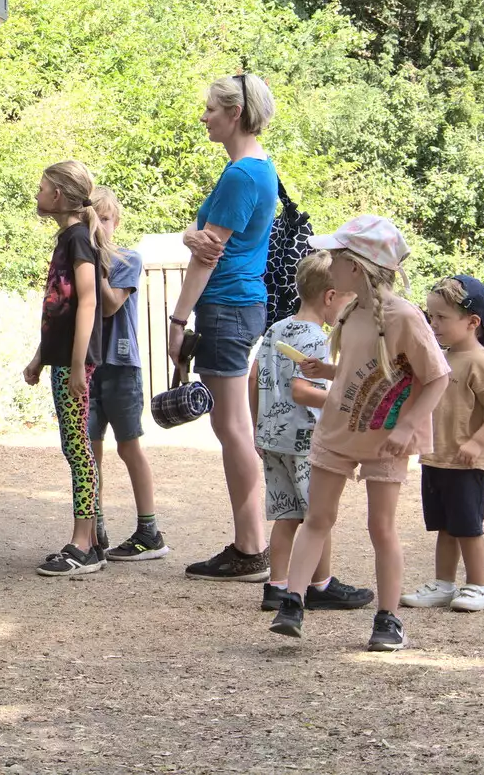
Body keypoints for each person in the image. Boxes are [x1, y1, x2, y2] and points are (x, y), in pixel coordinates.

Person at [268, 216, 450, 651]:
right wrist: (327, 370)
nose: (327, 262)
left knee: (381, 527)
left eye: (335, 256)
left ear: (358, 266)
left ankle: (388, 620)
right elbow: (359, 369)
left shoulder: (404, 317)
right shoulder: (350, 313)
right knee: (318, 518)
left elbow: (437, 376)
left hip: (385, 437)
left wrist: (407, 425)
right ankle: (292, 602)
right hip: (336, 430)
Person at [168, 71, 279, 582]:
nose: (205, 116)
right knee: (234, 426)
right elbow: (204, 238)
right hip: (242, 304)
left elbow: (208, 256)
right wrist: (193, 235)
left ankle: (251, 547)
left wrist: (177, 318)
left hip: (228, 306)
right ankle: (252, 544)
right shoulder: (259, 170)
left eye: (211, 108)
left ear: (235, 114)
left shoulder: (239, 176)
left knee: (233, 427)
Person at [249, 252, 373, 613]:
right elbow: (303, 391)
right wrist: (341, 399)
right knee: (320, 515)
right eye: (348, 301)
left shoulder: (276, 329)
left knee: (287, 513)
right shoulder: (318, 338)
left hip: (272, 437)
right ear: (330, 297)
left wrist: (259, 424)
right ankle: (321, 583)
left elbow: (255, 378)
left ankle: (276, 585)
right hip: (303, 439)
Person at [23, 161, 114, 576]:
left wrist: (78, 364)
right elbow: (58, 309)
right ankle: (91, 541)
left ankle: (83, 545)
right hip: (60, 360)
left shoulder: (79, 240)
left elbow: (89, 301)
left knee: (79, 452)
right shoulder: (69, 238)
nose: (37, 194)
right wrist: (41, 356)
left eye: (42, 188)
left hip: (74, 365)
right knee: (75, 448)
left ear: (58, 195)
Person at [402, 276, 484, 613]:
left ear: (472, 322)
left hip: (466, 464)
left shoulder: (480, 362)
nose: (433, 324)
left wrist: (476, 443)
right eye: (430, 316)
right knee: (444, 527)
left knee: (468, 527)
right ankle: (444, 584)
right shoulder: (439, 356)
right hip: (436, 458)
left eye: (441, 318)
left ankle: (479, 587)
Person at [86, 187, 168, 561]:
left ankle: (149, 529)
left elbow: (109, 305)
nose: (100, 226)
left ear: (116, 222)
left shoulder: (127, 259)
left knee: (128, 445)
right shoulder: (79, 260)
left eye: (105, 219)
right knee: (89, 449)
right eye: (93, 219)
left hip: (121, 367)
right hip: (87, 365)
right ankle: (94, 526)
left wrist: (97, 264)